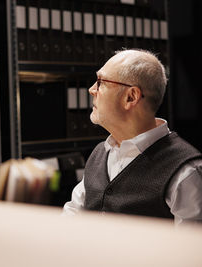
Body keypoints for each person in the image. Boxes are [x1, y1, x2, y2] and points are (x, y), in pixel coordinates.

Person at [63, 49, 202, 225]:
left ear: (131, 97)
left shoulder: (186, 173)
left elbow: (190, 250)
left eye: (100, 82)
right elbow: (71, 218)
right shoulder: (99, 154)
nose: (91, 90)